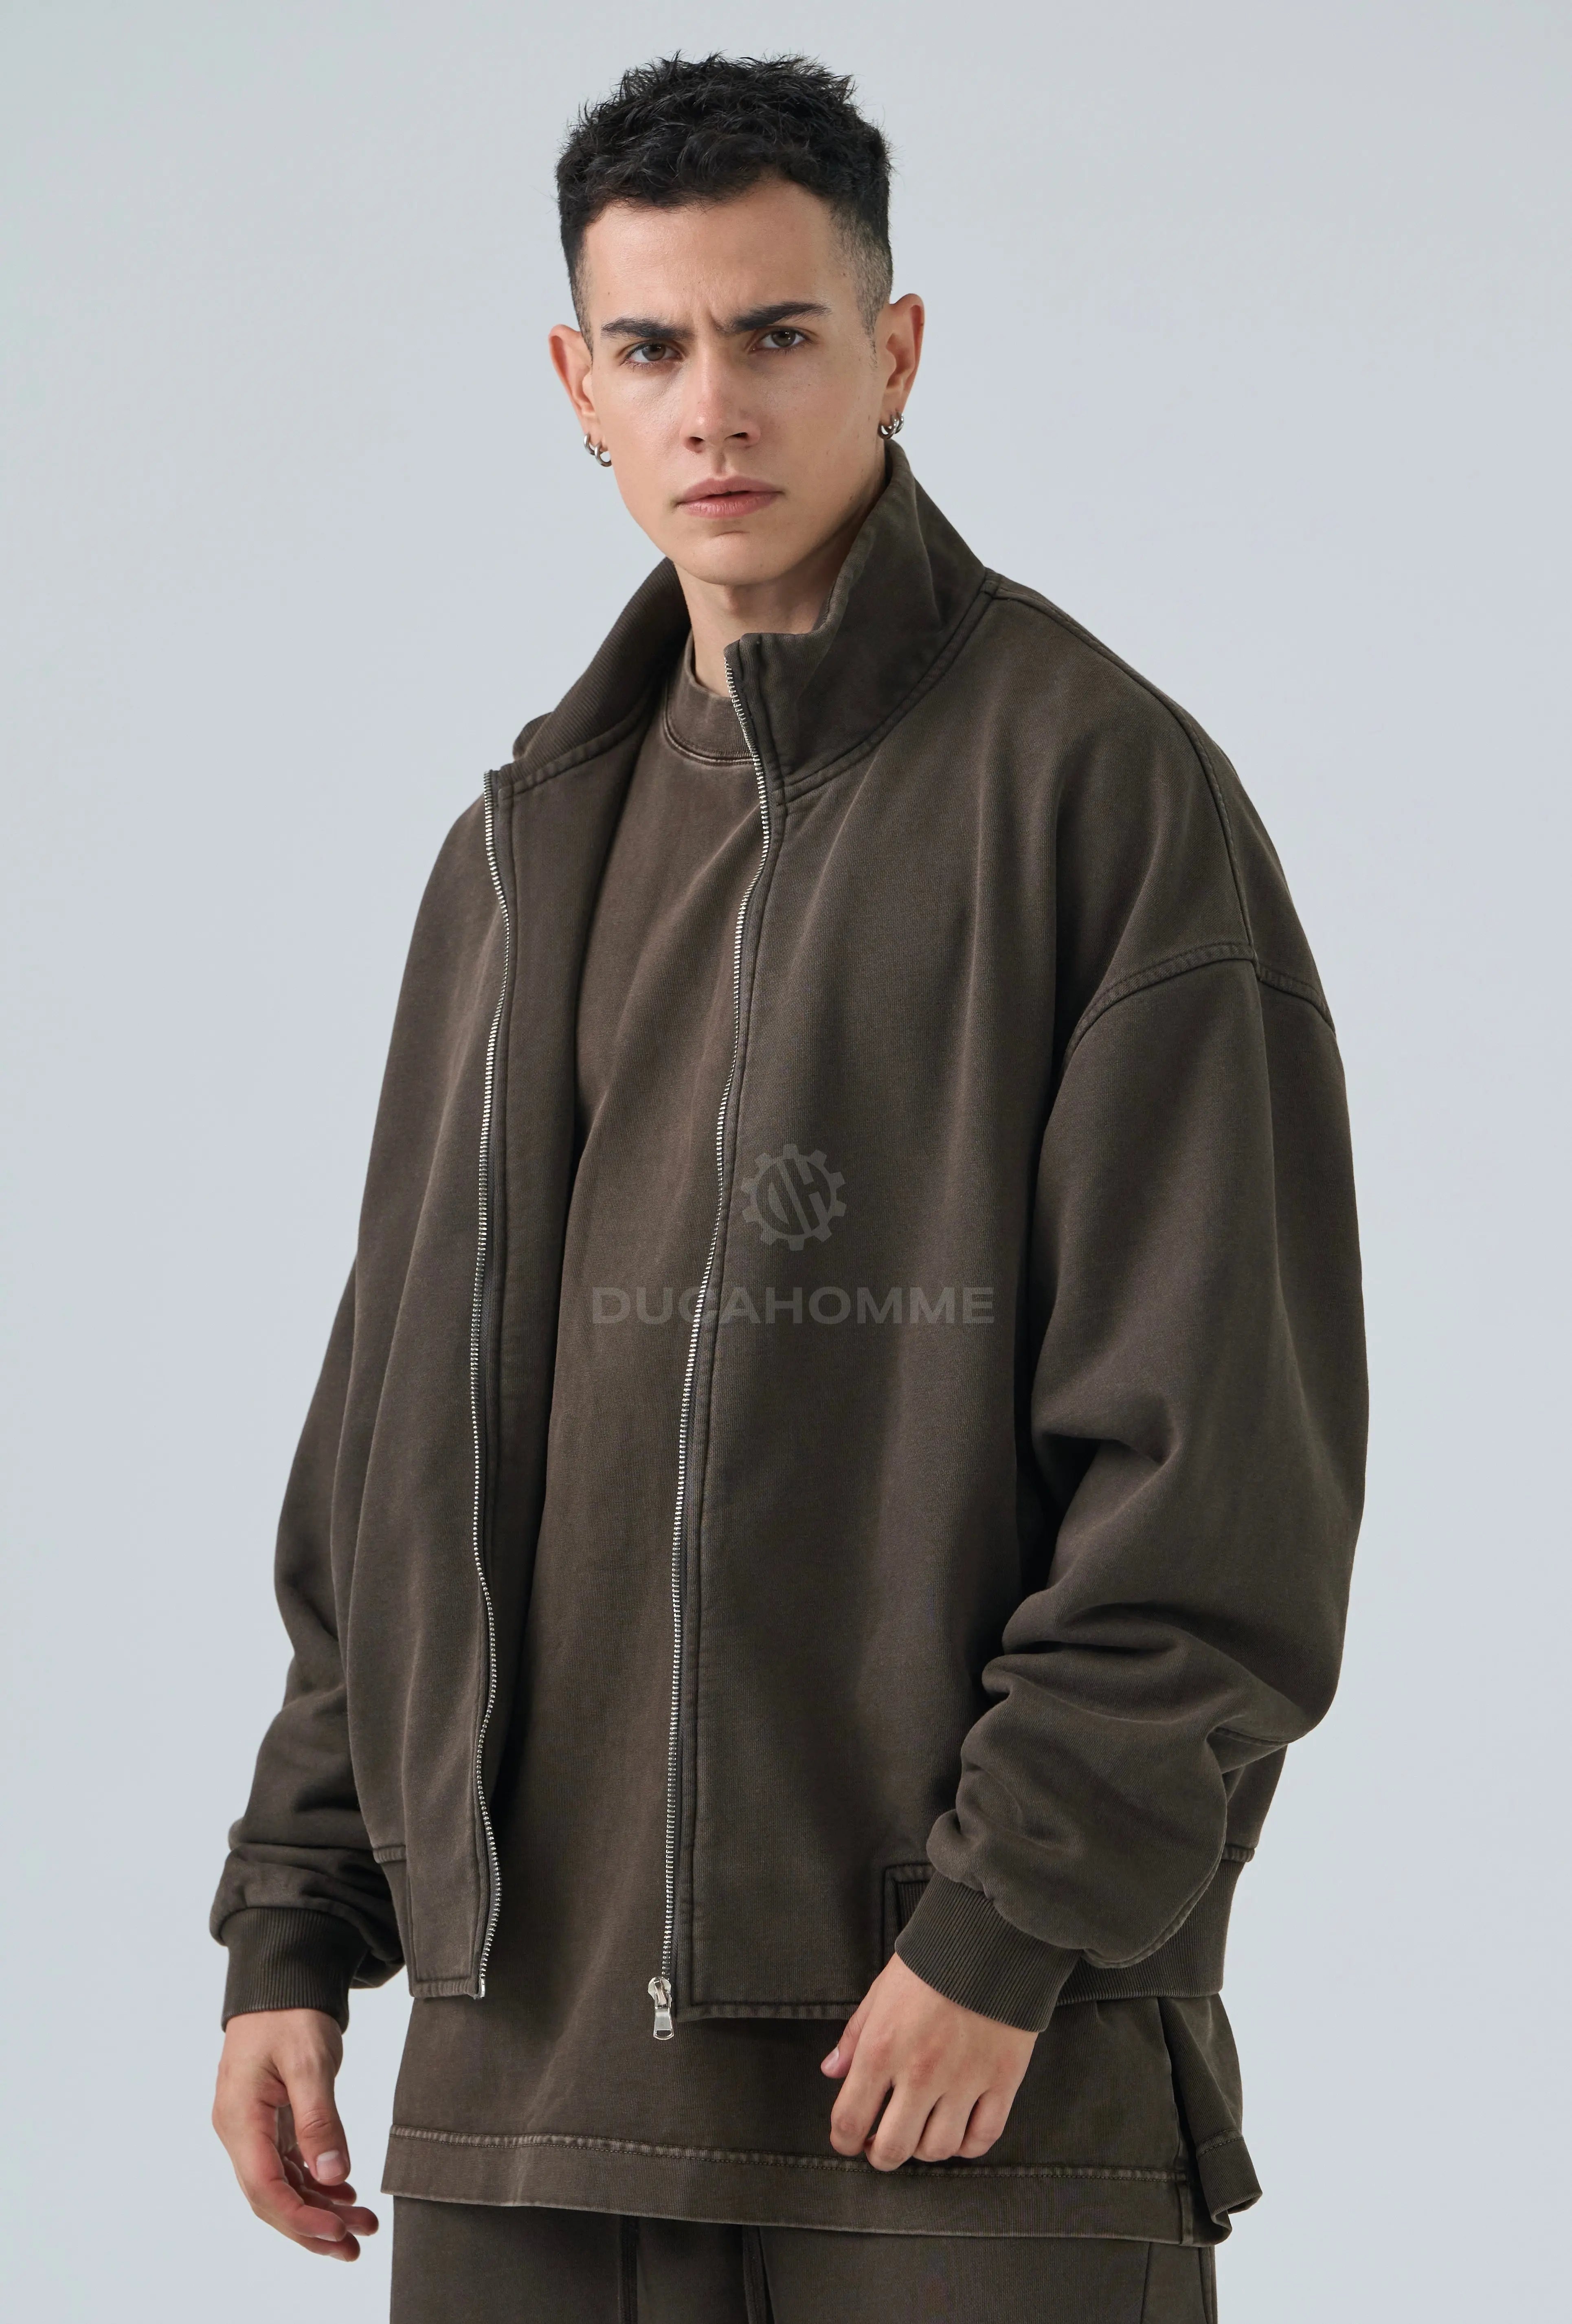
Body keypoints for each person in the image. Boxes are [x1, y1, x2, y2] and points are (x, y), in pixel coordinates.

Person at [209, 53, 1366, 2324]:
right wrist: (295, 1920)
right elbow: (390, 1454)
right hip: (522, 2090)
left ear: (893, 351)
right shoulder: (515, 853)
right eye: (650, 346)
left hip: (949, 2086)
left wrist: (1006, 1924)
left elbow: (1219, 1463)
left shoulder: (1097, 793)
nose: (712, 404)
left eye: (776, 333)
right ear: (578, 385)